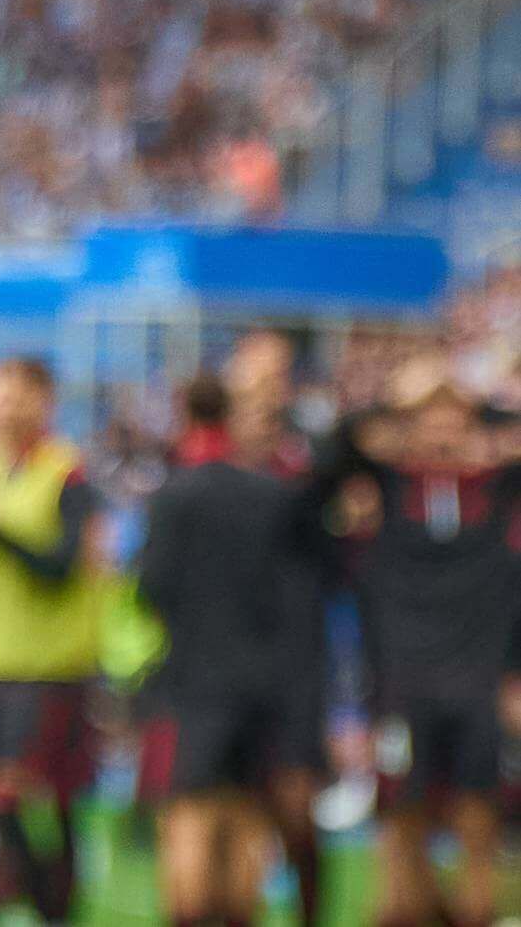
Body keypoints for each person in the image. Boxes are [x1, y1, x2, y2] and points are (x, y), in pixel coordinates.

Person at [317, 355, 521, 927]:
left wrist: (485, 407)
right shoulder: (387, 486)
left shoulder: (496, 489)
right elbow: (333, 452)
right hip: (402, 685)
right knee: (400, 820)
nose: (442, 430)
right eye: (429, 418)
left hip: (479, 684)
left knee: (479, 818)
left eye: (454, 418)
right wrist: (393, 403)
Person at [134, 374, 322, 927]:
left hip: (194, 683)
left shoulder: (176, 493)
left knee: (190, 818)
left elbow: (153, 588)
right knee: (244, 820)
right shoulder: (278, 498)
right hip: (266, 687)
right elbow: (300, 598)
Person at [0, 356, 108, 927]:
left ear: (44, 402)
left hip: (48, 672)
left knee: (33, 801)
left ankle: (44, 908)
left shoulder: (69, 474)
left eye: (14, 396)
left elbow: (63, 566)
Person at [221, 326, 336, 926]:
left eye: (278, 370)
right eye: (255, 368)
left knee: (294, 807)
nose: (266, 382)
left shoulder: (311, 463)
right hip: (221, 657)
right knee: (231, 810)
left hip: (294, 658)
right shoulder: (201, 459)